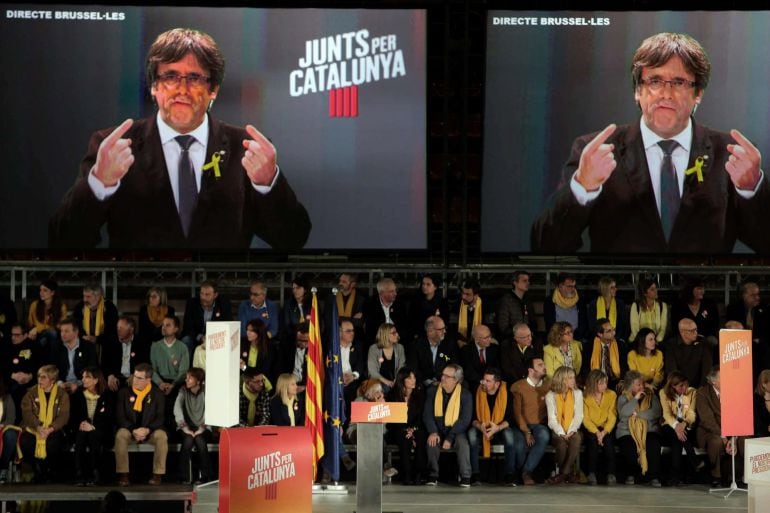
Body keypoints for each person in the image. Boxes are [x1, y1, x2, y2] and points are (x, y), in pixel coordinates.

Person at [49, 27, 311, 250]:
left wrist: (268, 183)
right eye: (170, 76)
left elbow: (293, 239)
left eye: (195, 78)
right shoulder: (113, 146)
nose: (182, 89)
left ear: (213, 90)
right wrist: (99, 183)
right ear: (153, 87)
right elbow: (64, 239)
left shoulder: (247, 149)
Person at [531, 32, 770, 254]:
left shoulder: (732, 155)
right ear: (638, 90)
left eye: (678, 82)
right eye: (655, 81)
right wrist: (583, 187)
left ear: (698, 93)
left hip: (705, 294)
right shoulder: (594, 151)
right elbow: (545, 245)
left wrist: (751, 189)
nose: (666, 94)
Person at [114, 363, 167, 486]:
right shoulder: (124, 393)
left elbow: (160, 418)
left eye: (139, 378)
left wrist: (148, 430)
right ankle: (124, 475)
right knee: (120, 435)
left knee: (162, 436)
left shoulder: (157, 394)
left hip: (149, 430)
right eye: (134, 376)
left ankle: (157, 474)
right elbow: (120, 417)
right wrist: (133, 430)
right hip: (130, 430)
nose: (135, 380)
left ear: (148, 380)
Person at [468, 367, 521, 486]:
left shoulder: (507, 394)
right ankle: (475, 475)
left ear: (497, 383)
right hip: (482, 425)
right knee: (471, 435)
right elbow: (472, 418)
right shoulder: (477, 392)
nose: (484, 383)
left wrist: (497, 428)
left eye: (488, 381)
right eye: (483, 380)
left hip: (499, 426)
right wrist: (480, 426)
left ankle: (509, 475)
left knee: (509, 436)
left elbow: (510, 419)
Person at [423, 363, 472, 487]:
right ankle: (432, 475)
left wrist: (450, 437)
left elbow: (465, 420)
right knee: (432, 441)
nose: (442, 378)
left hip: (456, 430)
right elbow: (427, 415)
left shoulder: (465, 394)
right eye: (442, 375)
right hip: (438, 429)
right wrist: (433, 431)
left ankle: (465, 476)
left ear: (456, 380)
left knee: (462, 443)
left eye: (447, 376)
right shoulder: (432, 391)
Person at [20, 365, 70, 483]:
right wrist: (38, 426)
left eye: (43, 377)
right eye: (38, 377)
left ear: (52, 380)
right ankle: (38, 472)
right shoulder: (31, 393)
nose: (39, 380)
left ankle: (48, 472)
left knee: (54, 443)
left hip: (53, 429)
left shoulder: (62, 394)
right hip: (34, 428)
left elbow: (64, 416)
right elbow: (26, 413)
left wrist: (50, 429)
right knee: (26, 442)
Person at [616, 370, 662, 487]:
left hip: (649, 430)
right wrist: (635, 399)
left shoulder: (651, 396)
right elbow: (624, 413)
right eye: (638, 384)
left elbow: (656, 413)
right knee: (630, 447)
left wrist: (639, 414)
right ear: (631, 385)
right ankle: (631, 475)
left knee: (653, 445)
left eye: (642, 383)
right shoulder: (623, 398)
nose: (642, 386)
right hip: (626, 431)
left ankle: (653, 477)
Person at [69, 366, 114, 486]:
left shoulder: (107, 395)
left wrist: (94, 427)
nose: (83, 380)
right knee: (81, 436)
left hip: (101, 430)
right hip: (82, 428)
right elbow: (73, 415)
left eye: (87, 377)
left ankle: (95, 472)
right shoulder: (78, 394)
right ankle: (79, 473)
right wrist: (82, 423)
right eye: (83, 377)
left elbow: (109, 418)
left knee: (95, 435)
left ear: (96, 380)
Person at [698, 367, 743, 487]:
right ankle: (716, 477)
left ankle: (739, 476)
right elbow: (708, 420)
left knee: (745, 439)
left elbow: (739, 414)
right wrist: (724, 438)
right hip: (710, 430)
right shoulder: (703, 393)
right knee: (716, 441)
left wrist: (733, 438)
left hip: (732, 429)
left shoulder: (733, 391)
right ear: (713, 381)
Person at [510, 356, 551, 485]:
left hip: (539, 425)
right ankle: (523, 473)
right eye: (539, 365)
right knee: (519, 444)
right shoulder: (518, 386)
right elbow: (517, 413)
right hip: (521, 424)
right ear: (531, 370)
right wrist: (526, 432)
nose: (544, 367)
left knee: (543, 435)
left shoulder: (548, 385)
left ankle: (526, 472)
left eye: (543, 364)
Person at [659, 371, 702, 486]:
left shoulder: (692, 392)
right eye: (681, 386)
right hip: (669, 424)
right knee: (676, 437)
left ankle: (674, 478)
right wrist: (677, 426)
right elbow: (666, 414)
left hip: (685, 425)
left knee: (677, 442)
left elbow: (692, 413)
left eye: (686, 384)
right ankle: (694, 460)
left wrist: (684, 424)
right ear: (673, 386)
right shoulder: (663, 393)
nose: (685, 388)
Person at [386, 367, 426, 485]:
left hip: (415, 428)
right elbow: (392, 419)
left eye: (414, 377)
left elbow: (421, 417)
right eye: (409, 378)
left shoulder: (420, 395)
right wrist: (406, 430)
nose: (413, 380)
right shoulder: (392, 395)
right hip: (397, 428)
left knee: (420, 436)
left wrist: (412, 430)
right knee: (403, 437)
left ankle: (419, 474)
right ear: (402, 379)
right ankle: (407, 474)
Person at [545, 366, 583, 484]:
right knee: (561, 445)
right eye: (570, 378)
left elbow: (578, 416)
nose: (573, 380)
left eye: (573, 377)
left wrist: (571, 431)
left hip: (573, 429)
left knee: (576, 439)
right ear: (562, 380)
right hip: (557, 430)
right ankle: (569, 473)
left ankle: (562, 474)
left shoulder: (577, 393)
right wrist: (562, 433)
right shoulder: (550, 395)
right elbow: (552, 419)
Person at [174, 367, 212, 484]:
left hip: (203, 427)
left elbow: (211, 410)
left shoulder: (207, 391)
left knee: (200, 441)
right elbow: (177, 408)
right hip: (186, 427)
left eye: (190, 378)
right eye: (187, 377)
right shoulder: (183, 391)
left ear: (198, 381)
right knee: (188, 441)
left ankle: (204, 476)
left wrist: (202, 428)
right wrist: (184, 427)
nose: (186, 380)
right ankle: (183, 476)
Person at [582, 369, 617, 486]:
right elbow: (585, 419)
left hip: (606, 428)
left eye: (605, 383)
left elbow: (612, 416)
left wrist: (604, 432)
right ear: (593, 383)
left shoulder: (611, 395)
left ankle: (611, 474)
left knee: (609, 444)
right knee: (592, 443)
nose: (604, 385)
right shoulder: (585, 396)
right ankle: (591, 473)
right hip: (591, 427)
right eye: (601, 383)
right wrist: (597, 432)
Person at [181, 280, 231, 360]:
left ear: (215, 295)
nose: (203, 297)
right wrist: (201, 337)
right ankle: (186, 370)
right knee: (186, 340)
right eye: (201, 293)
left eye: (207, 294)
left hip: (215, 338)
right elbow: (188, 326)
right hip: (195, 337)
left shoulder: (224, 304)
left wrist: (211, 338)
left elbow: (227, 325)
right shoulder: (192, 303)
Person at [2, 324, 42, 416]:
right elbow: (3, 366)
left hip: (32, 380)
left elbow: (40, 364)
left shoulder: (34, 346)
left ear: (25, 335)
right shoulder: (7, 347)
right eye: (12, 334)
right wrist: (13, 375)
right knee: (14, 390)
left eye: (17, 335)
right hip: (11, 380)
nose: (13, 337)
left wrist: (31, 376)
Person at [53, 317, 99, 394]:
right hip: (62, 385)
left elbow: (93, 369)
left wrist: (78, 384)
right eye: (61, 331)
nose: (63, 334)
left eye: (66, 331)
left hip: (83, 385)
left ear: (76, 332)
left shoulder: (88, 347)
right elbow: (53, 368)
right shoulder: (57, 347)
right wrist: (60, 383)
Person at [72, 284, 119, 357]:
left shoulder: (109, 307)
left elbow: (112, 330)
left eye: (88, 297)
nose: (85, 300)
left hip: (104, 343)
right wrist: (83, 336)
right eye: (84, 296)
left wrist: (97, 339)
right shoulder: (80, 307)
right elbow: (75, 325)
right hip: (84, 341)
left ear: (98, 296)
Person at [103, 316, 148, 391]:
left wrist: (136, 375)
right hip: (116, 379)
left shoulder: (141, 343)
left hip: (134, 379)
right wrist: (109, 375)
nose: (118, 330)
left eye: (121, 328)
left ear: (131, 330)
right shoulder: (110, 342)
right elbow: (104, 364)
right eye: (117, 327)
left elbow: (145, 364)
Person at [670, 278, 720, 346]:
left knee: (712, 341)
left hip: (705, 337)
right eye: (699, 288)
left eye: (703, 288)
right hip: (685, 337)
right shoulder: (678, 305)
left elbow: (715, 325)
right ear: (690, 290)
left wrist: (701, 336)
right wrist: (689, 336)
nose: (702, 291)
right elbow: (675, 326)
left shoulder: (710, 304)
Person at [665, 318, 712, 388]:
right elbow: (672, 371)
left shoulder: (703, 342)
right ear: (682, 332)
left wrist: (702, 388)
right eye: (691, 331)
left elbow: (707, 368)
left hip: (699, 386)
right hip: (679, 386)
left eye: (696, 329)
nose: (695, 333)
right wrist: (682, 387)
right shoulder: (671, 345)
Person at [411, 315, 456, 388]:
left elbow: (454, 364)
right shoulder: (416, 345)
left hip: (444, 381)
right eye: (441, 329)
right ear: (430, 331)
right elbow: (414, 368)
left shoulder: (449, 344)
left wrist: (444, 380)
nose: (444, 331)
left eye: (444, 328)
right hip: (423, 383)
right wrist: (428, 382)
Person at [363, 277, 408, 347]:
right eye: (391, 291)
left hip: (397, 342)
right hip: (377, 343)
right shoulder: (370, 304)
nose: (395, 293)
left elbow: (404, 327)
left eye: (395, 290)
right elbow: (370, 330)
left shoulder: (400, 304)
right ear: (381, 293)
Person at [543, 273, 588, 342]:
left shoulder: (580, 299)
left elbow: (583, 322)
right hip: (557, 338)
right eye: (569, 286)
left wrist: (575, 336)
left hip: (577, 338)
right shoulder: (550, 301)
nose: (573, 289)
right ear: (560, 286)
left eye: (574, 286)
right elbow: (549, 323)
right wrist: (562, 336)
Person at [26, 279, 67, 356]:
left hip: (55, 335)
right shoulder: (35, 305)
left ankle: (50, 362)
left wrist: (39, 328)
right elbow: (31, 323)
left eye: (45, 290)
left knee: (52, 333)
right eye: (40, 290)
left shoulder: (61, 306)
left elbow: (60, 325)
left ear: (52, 293)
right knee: (46, 337)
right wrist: (36, 329)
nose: (41, 293)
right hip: (38, 335)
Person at [496, 270, 539, 342]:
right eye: (524, 281)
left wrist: (529, 334)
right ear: (515, 283)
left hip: (527, 337)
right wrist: (519, 335)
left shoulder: (527, 300)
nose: (528, 283)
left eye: (528, 280)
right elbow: (503, 326)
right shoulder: (506, 300)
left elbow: (533, 322)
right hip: (511, 339)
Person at [585, 318, 625, 391]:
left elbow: (624, 365)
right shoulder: (589, 346)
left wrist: (622, 380)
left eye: (613, 329)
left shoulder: (620, 345)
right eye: (609, 331)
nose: (613, 333)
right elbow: (585, 367)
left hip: (615, 380)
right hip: (597, 381)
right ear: (600, 334)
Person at [586, 276, 630, 343]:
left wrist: (618, 338)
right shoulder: (594, 304)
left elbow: (624, 325)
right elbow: (592, 325)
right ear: (605, 289)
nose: (616, 289)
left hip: (616, 339)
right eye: (612, 288)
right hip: (598, 338)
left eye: (615, 287)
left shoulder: (620, 304)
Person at [408, 274, 449, 342]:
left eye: (428, 284)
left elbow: (445, 320)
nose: (424, 286)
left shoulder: (442, 302)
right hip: (419, 334)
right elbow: (412, 320)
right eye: (423, 284)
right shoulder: (416, 301)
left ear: (435, 287)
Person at [459, 324, 499, 392]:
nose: (490, 339)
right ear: (476, 339)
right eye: (486, 337)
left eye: (490, 336)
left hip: (492, 381)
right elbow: (468, 371)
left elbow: (497, 367)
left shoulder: (494, 349)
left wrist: (490, 380)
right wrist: (482, 381)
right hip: (475, 382)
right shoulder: (466, 350)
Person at [367, 323, 406, 393]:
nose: (397, 334)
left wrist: (396, 380)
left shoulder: (400, 348)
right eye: (393, 333)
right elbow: (372, 371)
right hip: (378, 381)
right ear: (385, 335)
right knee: (385, 388)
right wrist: (387, 382)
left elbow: (401, 367)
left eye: (396, 332)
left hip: (395, 381)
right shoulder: (373, 348)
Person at [629, 278, 668, 344]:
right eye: (652, 289)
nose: (656, 291)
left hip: (656, 342)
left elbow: (663, 329)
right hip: (638, 342)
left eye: (656, 288)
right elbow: (634, 328)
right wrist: (643, 342)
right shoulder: (636, 306)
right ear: (645, 293)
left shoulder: (662, 306)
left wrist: (655, 341)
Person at [240, 318, 277, 386]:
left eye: (251, 331)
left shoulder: (269, 347)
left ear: (259, 332)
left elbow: (263, 370)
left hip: (261, 379)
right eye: (247, 330)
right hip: (245, 377)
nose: (248, 333)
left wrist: (244, 367)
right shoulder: (243, 343)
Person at [0, 376, 21, 484]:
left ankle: (3, 468)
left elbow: (11, 418)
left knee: (11, 435)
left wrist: (2, 425)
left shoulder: (7, 398)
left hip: (3, 428)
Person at [454, 278, 483, 348]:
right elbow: (452, 327)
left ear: (476, 295)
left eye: (467, 294)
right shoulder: (456, 306)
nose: (463, 296)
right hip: (460, 343)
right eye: (463, 293)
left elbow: (489, 327)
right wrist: (458, 340)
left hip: (479, 343)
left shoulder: (485, 306)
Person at [754, 369, 770, 437]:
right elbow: (757, 422)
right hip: (762, 434)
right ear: (764, 384)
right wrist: (767, 428)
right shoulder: (756, 399)